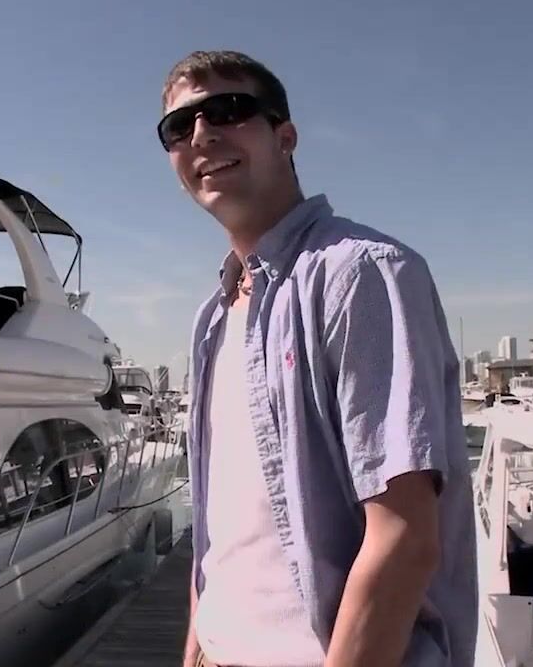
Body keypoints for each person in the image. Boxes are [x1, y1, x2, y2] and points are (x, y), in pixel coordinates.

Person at [157, 50, 478, 667]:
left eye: (227, 110)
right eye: (178, 126)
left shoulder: (362, 275)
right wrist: (199, 640)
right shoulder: (213, 316)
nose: (201, 135)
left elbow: (405, 537)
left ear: (285, 137)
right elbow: (220, 522)